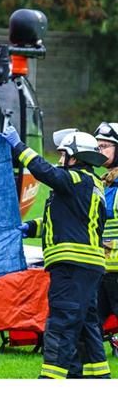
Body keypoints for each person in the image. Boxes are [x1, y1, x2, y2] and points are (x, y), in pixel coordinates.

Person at [8, 125, 110, 378]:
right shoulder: (91, 185)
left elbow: (46, 171)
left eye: (64, 154)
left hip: (72, 266)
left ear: (75, 158)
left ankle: (51, 378)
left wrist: (18, 146)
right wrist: (31, 227)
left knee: (61, 323)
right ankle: (96, 377)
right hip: (88, 267)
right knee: (86, 326)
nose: (60, 159)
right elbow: (67, 222)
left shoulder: (75, 179)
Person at [94, 122, 118, 357]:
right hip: (101, 266)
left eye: (105, 147)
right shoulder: (103, 181)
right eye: (97, 147)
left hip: (116, 268)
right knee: (91, 317)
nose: (100, 151)